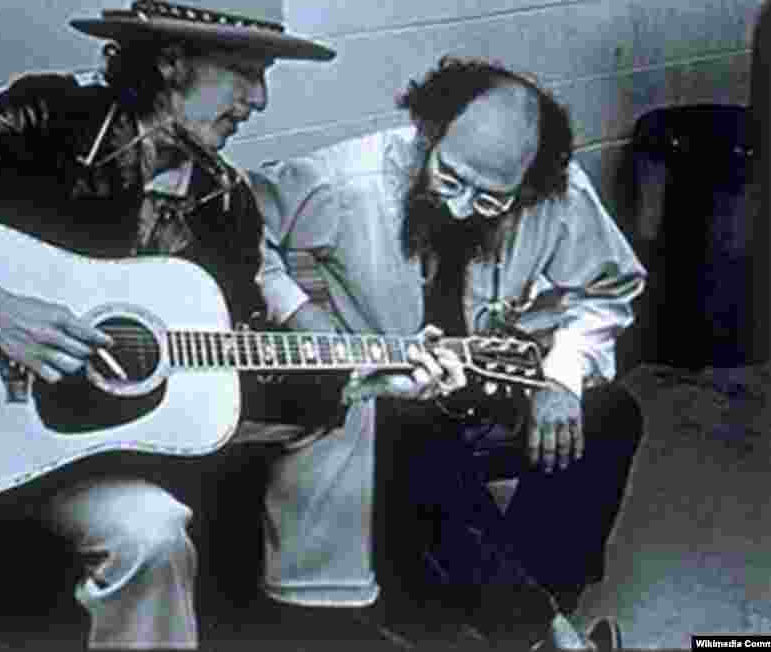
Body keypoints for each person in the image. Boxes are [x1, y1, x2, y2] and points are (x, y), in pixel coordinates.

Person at [0, 0, 426, 650]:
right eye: (245, 70)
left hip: (89, 453)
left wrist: (353, 376)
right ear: (173, 60)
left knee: (151, 536)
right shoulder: (44, 124)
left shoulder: (227, 208)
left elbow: (221, 381)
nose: (260, 99)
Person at [251, 56, 647, 650]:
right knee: (415, 436)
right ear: (427, 137)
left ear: (529, 183)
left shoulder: (555, 191)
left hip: (494, 385)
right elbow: (241, 231)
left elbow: (610, 286)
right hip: (397, 406)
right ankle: (543, 634)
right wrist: (303, 314)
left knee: (613, 417)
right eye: (451, 180)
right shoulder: (347, 178)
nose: (462, 208)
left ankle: (531, 608)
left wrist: (562, 378)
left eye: (491, 200)